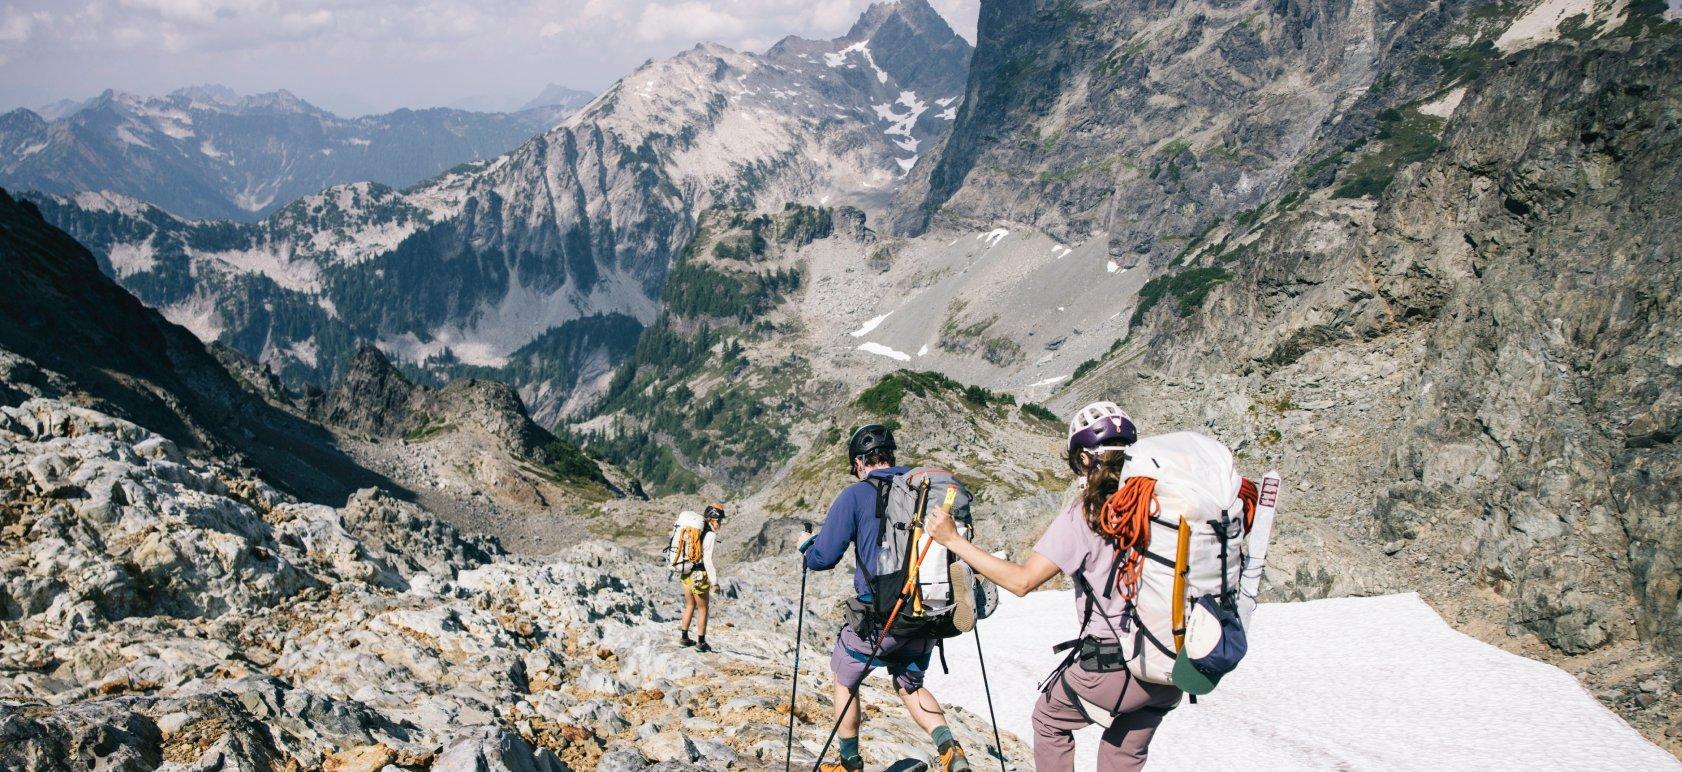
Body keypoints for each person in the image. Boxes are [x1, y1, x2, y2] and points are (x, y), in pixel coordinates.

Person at [924, 402, 1182, 772]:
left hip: (1111, 667)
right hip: (1168, 664)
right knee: (1123, 752)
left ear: (1084, 459)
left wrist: (953, 540)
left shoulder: (1088, 512)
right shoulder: (1161, 503)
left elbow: (1022, 581)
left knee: (1049, 720)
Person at [802, 424, 972, 772]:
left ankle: (849, 762)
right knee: (910, 686)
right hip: (925, 612)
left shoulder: (855, 495)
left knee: (845, 679)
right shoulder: (920, 490)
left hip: (880, 619)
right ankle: (951, 752)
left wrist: (807, 549)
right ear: (891, 456)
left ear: (859, 463)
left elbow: (823, 557)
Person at [679, 503, 726, 653]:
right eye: (719, 520)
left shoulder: (693, 530)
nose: (720, 524)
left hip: (686, 572)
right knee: (703, 609)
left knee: (689, 605)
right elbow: (708, 560)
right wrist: (714, 582)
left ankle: (684, 638)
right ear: (712, 519)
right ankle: (701, 642)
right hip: (700, 574)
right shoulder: (710, 535)